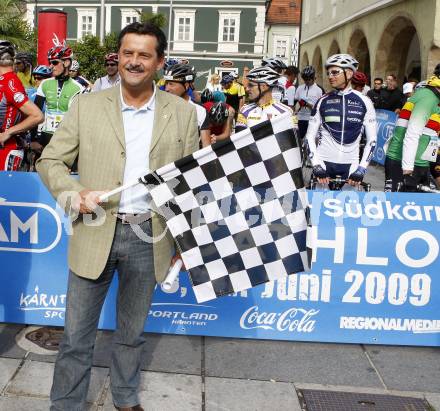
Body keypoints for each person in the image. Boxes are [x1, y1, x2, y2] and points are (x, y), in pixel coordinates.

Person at [36, 21, 199, 410]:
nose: (134, 61)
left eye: (144, 55)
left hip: (151, 237)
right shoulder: (88, 105)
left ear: (159, 61)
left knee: (131, 333)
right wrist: (75, 194)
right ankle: (66, 404)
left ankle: (125, 398)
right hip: (95, 231)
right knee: (76, 335)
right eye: (128, 53)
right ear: (119, 57)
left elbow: (188, 185)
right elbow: (50, 160)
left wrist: (183, 241)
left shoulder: (183, 113)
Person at [305, 53, 377, 186]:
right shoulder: (322, 101)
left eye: (335, 72)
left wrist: (361, 169)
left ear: (349, 74)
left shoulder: (365, 102)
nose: (330, 76)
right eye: (328, 73)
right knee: (317, 206)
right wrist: (316, 166)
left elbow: (372, 141)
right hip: (323, 163)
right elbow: (309, 137)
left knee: (348, 207)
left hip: (351, 167)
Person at [384, 66, 440, 191]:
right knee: (399, 207)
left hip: (421, 162)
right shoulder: (428, 97)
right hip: (404, 163)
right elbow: (412, 134)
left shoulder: (434, 98)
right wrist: (407, 171)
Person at [30, 44, 84, 153]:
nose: (50, 66)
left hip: (67, 140)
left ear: (67, 62)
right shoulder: (45, 84)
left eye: (55, 62)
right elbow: (35, 112)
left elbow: (80, 120)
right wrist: (33, 139)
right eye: (50, 62)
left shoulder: (78, 88)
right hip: (45, 139)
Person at [0, 40, 43, 171]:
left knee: (5, 191)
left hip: (7, 149)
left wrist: (9, 132)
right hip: (7, 146)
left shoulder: (9, 82)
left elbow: (37, 116)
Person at [164, 63, 211, 147]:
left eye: (171, 84)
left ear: (186, 86)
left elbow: (206, 146)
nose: (166, 88)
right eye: (166, 83)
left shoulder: (200, 111)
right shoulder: (159, 106)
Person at [235, 66, 293, 132]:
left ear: (264, 87)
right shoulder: (245, 110)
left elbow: (291, 140)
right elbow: (239, 139)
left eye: (251, 85)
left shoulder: (286, 112)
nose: (247, 89)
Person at [294, 65, 324, 141]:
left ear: (313, 78)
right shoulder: (300, 88)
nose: (306, 82)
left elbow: (321, 107)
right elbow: (295, 102)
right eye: (305, 80)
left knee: (310, 140)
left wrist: (307, 104)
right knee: (300, 140)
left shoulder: (319, 90)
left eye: (308, 80)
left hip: (313, 119)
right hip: (301, 118)